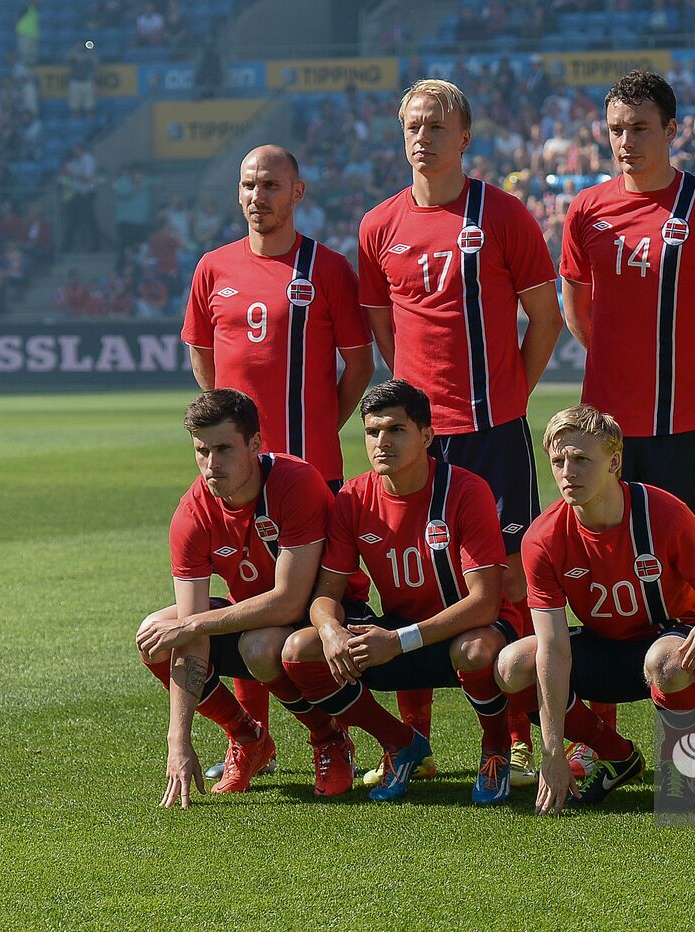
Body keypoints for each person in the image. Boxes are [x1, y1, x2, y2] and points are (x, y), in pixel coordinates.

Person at [358, 80, 562, 773]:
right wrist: (418, 412)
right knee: (411, 583)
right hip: (418, 438)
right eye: (414, 126)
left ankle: (520, 735)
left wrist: (508, 395)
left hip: (493, 431)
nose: (423, 137)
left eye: (437, 126)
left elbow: (546, 319)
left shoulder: (502, 214)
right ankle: (413, 745)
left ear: (465, 137)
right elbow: (385, 328)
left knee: (510, 580)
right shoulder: (378, 226)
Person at [183, 145, 373, 774]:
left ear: (298, 191)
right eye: (248, 185)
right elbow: (203, 360)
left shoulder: (329, 269)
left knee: (326, 610)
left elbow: (359, 366)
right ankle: (250, 740)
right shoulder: (213, 268)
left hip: (313, 472)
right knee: (247, 598)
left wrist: (318, 426)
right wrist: (231, 437)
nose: (256, 196)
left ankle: (356, 738)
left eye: (270, 185)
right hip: (241, 476)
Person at [279, 380, 525, 804]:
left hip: (472, 630)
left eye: (396, 429)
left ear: (426, 436)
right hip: (399, 632)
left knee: (474, 651)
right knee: (300, 649)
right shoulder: (353, 497)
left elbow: (485, 603)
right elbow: (325, 593)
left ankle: (496, 748)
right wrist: (331, 630)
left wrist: (397, 641)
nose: (382, 442)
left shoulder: (466, 490)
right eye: (372, 432)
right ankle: (401, 742)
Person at [495, 405, 695, 814]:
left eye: (581, 459)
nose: (567, 472)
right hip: (606, 646)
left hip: (672, 646)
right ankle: (617, 755)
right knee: (512, 664)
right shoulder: (542, 539)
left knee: (665, 660)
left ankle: (679, 765)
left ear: (614, 462)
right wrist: (552, 751)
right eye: (558, 461)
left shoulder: (663, 514)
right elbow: (552, 648)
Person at [560, 70, 695, 539]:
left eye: (639, 128)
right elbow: (575, 307)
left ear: (671, 130)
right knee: (611, 552)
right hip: (606, 424)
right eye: (616, 130)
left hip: (687, 421)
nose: (625, 141)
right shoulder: (586, 208)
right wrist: (617, 362)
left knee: (692, 552)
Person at [135, 390, 361, 807]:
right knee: (154, 634)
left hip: (325, 615)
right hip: (256, 620)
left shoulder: (294, 482)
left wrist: (192, 625)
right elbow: (189, 635)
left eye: (224, 449)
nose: (211, 463)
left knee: (258, 645)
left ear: (255, 444)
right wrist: (178, 742)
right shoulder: (191, 514)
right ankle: (247, 736)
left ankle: (329, 738)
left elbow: (290, 602)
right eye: (202, 451)